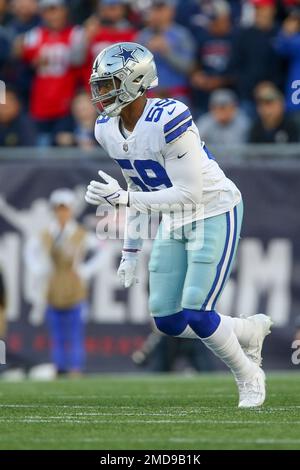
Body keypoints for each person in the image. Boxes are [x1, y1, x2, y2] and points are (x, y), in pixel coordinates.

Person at [85, 42, 272, 407]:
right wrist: (130, 251)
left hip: (213, 208)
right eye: (100, 84)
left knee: (198, 312)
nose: (101, 93)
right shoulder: (107, 128)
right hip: (175, 217)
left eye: (109, 84)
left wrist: (122, 200)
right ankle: (247, 330)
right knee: (168, 320)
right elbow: (139, 186)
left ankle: (249, 376)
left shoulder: (169, 118)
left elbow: (187, 194)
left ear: (136, 81)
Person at [24, 188, 103, 376]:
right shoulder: (46, 234)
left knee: (75, 333)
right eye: (58, 209)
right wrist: (38, 269)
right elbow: (29, 251)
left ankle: (76, 368)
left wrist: (85, 270)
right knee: (57, 334)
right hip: (52, 289)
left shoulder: (80, 234)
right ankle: (59, 367)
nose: (62, 213)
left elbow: (103, 250)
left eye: (65, 208)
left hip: (74, 289)